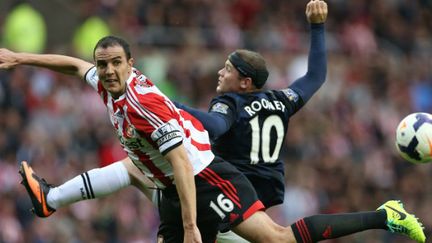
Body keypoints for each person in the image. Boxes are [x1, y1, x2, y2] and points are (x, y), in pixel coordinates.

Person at [0, 1, 427, 242]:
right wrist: (21, 58)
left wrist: (182, 114)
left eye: (227, 68)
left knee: (277, 240)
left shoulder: (222, 105)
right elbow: (315, 78)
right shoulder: (280, 98)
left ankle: (382, 215)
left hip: (213, 182)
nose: (220, 72)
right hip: (200, 182)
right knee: (136, 167)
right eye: (103, 65)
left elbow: (194, 149)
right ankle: (51, 199)